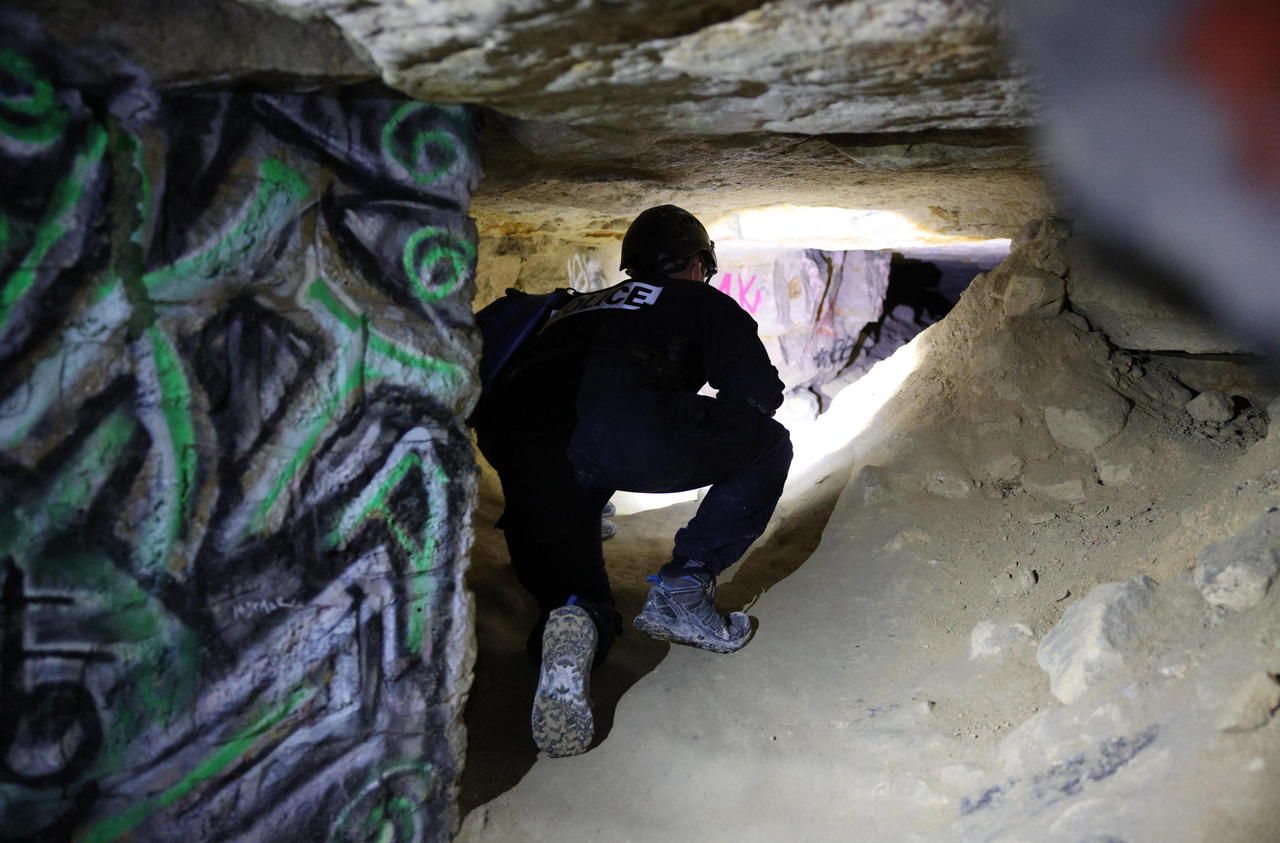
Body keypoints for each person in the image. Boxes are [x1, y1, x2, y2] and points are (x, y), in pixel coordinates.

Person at [472, 205, 793, 757]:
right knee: (768, 441)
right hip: (625, 441)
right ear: (697, 264)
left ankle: (573, 617)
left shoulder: (568, 308)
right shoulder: (700, 301)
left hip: (523, 462)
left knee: (574, 589)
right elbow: (758, 397)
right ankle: (684, 590)